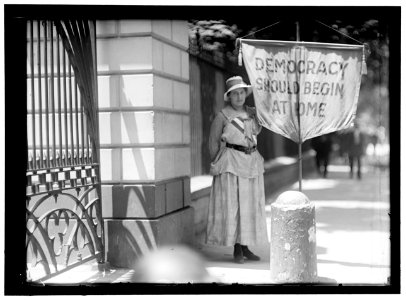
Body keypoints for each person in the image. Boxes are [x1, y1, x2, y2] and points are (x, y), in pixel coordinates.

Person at [206, 76, 267, 264]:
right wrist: (219, 162)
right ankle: (237, 248)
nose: (239, 97)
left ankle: (246, 246)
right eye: (235, 94)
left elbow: (262, 126)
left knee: (248, 207)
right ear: (229, 97)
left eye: (242, 93)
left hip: (251, 163)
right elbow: (212, 143)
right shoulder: (222, 116)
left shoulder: (253, 113)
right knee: (234, 206)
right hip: (231, 164)